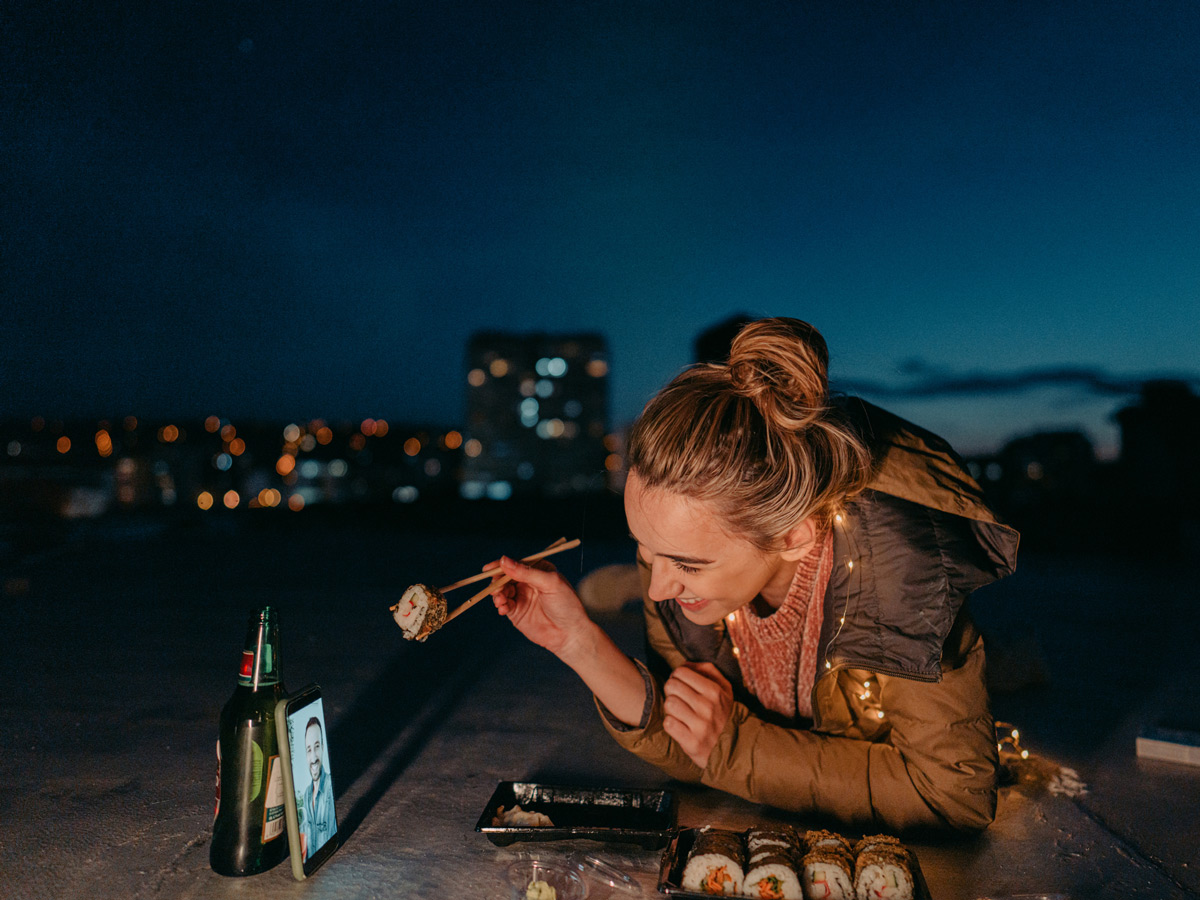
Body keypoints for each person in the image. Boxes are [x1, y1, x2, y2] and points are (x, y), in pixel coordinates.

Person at [489, 317, 1019, 833]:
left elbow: (954, 795)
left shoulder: (898, 581)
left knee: (1010, 667)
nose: (657, 589)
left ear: (794, 535)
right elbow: (696, 746)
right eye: (647, 553)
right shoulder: (672, 560)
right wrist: (580, 643)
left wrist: (738, 746)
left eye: (688, 565)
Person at [299, 716, 336, 859]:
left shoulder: (329, 788)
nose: (313, 757)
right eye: (309, 750)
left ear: (323, 748)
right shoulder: (306, 795)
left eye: (316, 747)